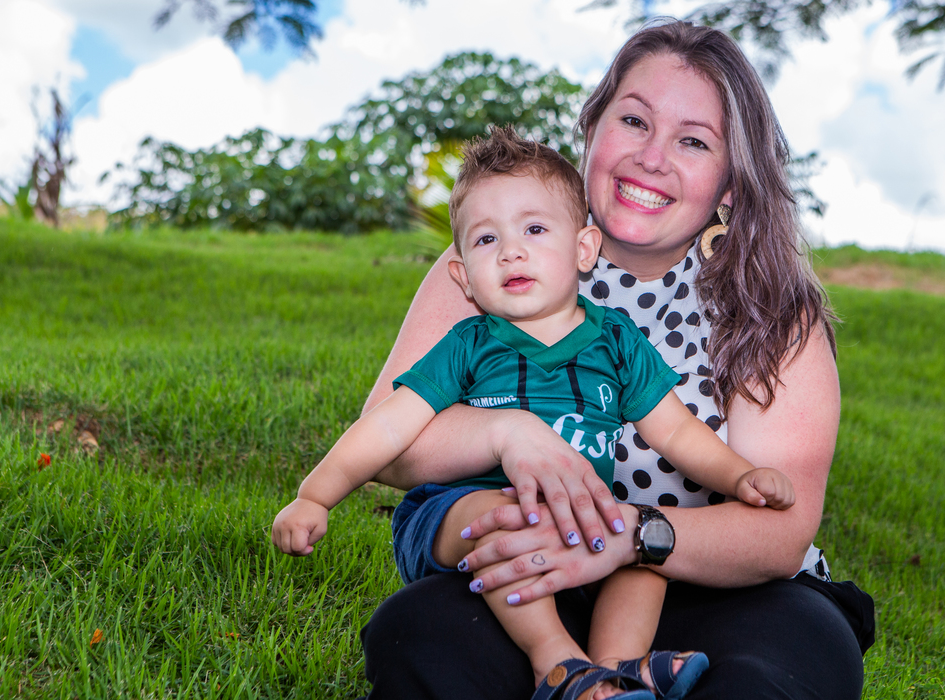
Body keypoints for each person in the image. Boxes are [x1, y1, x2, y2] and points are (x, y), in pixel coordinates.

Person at [359, 19, 875, 700]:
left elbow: (779, 533)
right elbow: (387, 447)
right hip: (540, 589)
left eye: (693, 141)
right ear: (592, 131)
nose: (652, 157)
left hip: (723, 588)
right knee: (421, 635)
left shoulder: (771, 310)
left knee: (780, 672)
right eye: (634, 121)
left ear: (728, 184)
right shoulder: (498, 261)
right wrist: (506, 431)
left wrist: (626, 536)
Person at [272, 126, 797, 700]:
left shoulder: (616, 341)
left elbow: (675, 430)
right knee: (509, 520)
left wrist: (739, 477)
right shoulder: (470, 343)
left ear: (583, 249)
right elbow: (388, 426)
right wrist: (315, 495)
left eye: (535, 229)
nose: (511, 251)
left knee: (646, 550)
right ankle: (556, 661)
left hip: (576, 520)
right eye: (486, 239)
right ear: (462, 276)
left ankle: (615, 672)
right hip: (460, 515)